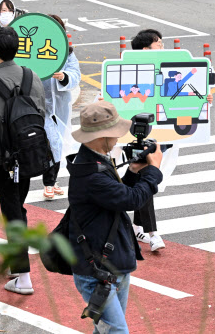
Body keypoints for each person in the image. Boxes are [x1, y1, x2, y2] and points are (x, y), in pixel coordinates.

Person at [67, 100, 163, 334]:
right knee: (116, 331)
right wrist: (153, 170)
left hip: (109, 262)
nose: (118, 138)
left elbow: (117, 195)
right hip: (96, 270)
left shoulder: (94, 160)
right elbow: (131, 200)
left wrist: (133, 172)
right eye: (115, 133)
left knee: (105, 331)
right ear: (102, 136)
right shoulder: (92, 173)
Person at [0, 26, 45, 295]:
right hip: (29, 153)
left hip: (2, 157)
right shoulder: (32, 76)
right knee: (17, 206)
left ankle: (23, 275)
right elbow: (41, 112)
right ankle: (17, 259)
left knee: (12, 210)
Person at [127, 29, 213, 251]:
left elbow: (183, 95)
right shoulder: (131, 72)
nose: (163, 49)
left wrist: (204, 98)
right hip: (138, 136)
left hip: (163, 134)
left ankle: (137, 228)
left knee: (143, 182)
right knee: (145, 178)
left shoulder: (166, 72)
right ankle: (153, 234)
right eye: (158, 45)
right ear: (145, 50)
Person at [41, 15, 81, 200]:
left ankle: (53, 181)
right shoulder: (33, 49)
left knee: (60, 142)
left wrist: (63, 76)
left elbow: (75, 73)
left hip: (61, 104)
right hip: (39, 104)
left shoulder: (67, 52)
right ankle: (49, 182)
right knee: (52, 142)